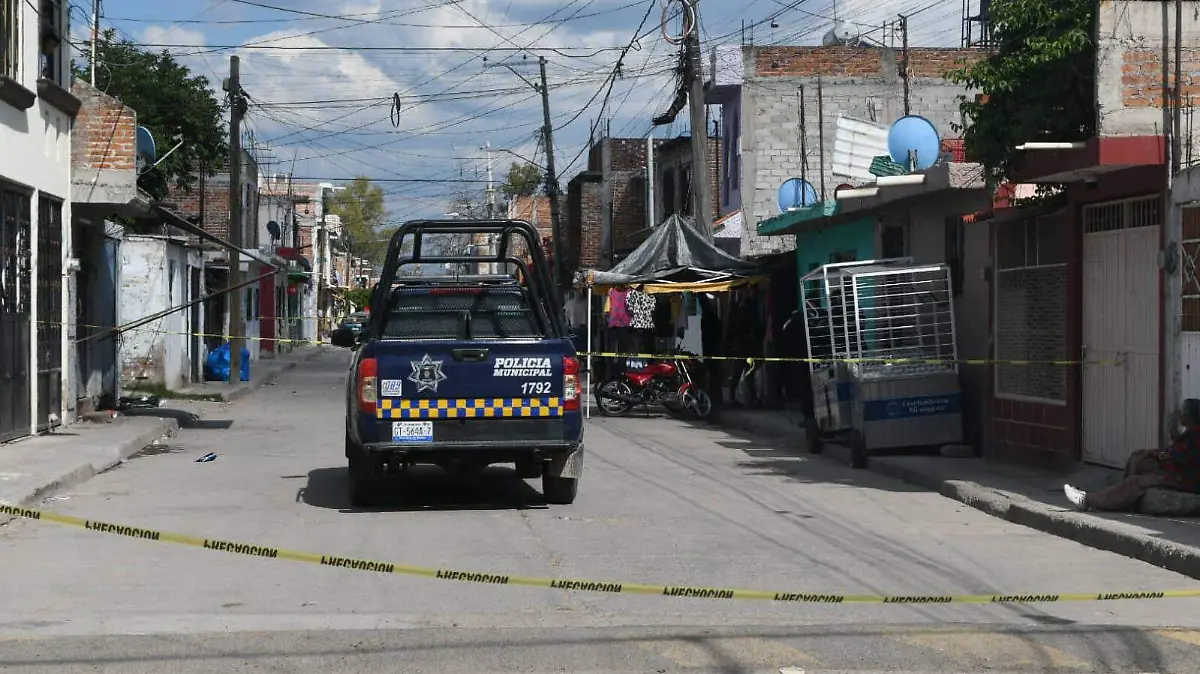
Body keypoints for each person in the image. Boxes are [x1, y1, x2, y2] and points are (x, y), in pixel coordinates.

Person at [1064, 399, 1200, 511]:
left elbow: (1178, 457)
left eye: (1183, 412)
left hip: (1181, 478)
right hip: (1174, 469)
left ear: (1190, 416)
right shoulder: (1189, 433)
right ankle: (1124, 500)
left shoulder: (1195, 436)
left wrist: (1161, 455)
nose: (1180, 414)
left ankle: (1087, 500)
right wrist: (1156, 453)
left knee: (1135, 482)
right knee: (1138, 456)